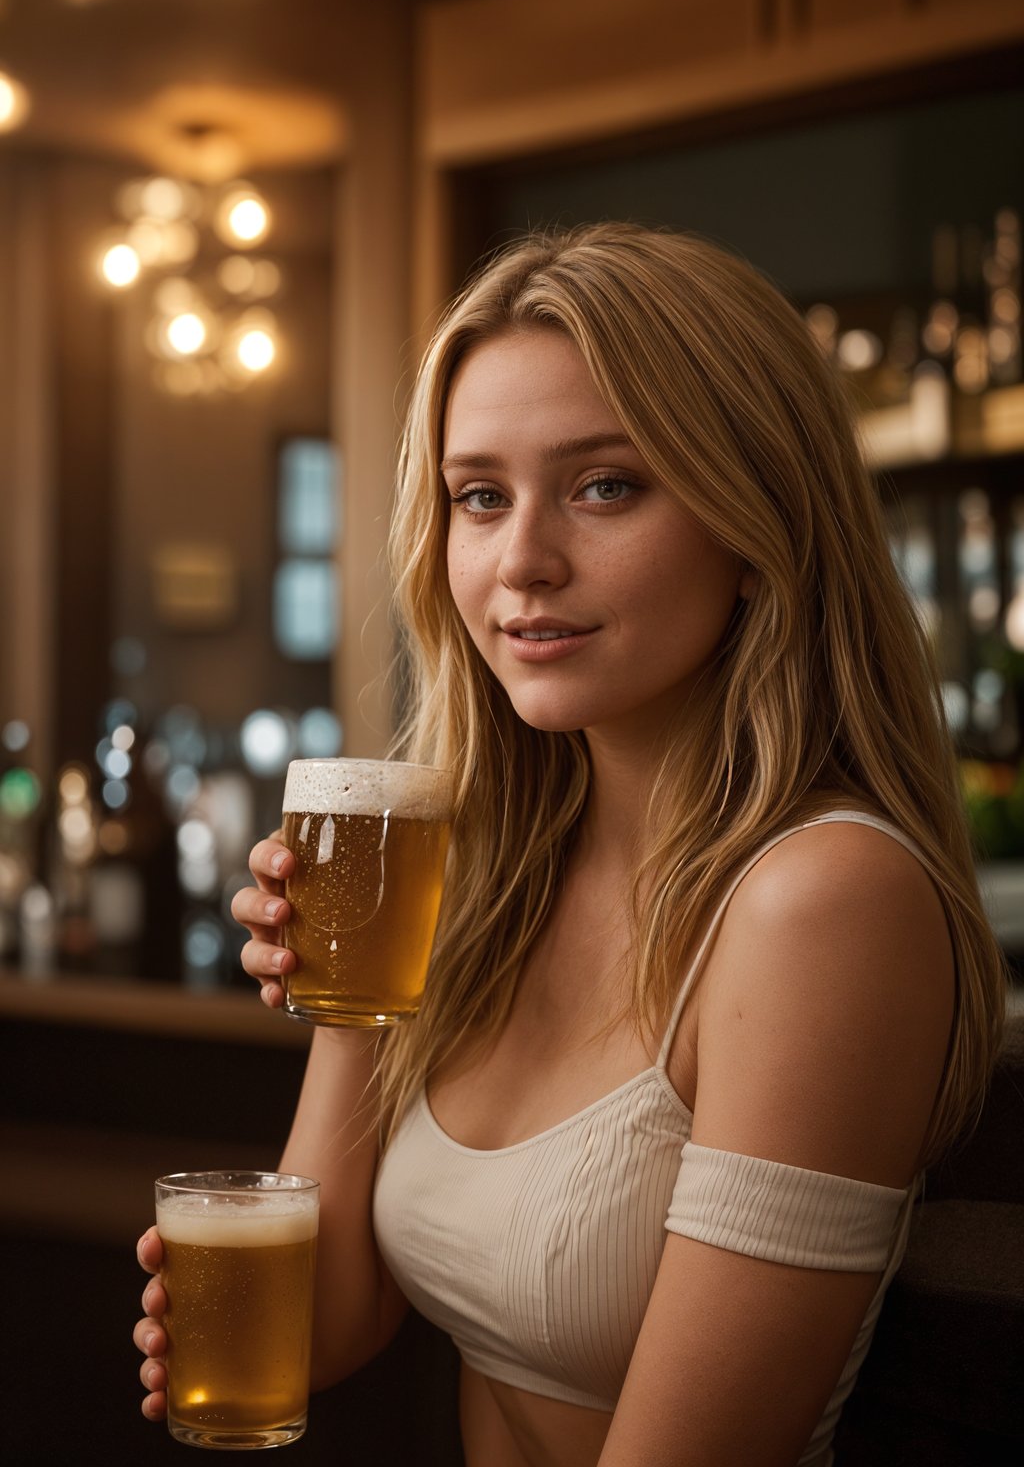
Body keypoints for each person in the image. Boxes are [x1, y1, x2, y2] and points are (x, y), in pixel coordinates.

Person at [134, 224, 1007, 1466]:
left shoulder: (821, 902)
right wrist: (346, 997)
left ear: (755, 525)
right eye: (479, 496)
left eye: (605, 485)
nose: (521, 562)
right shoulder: (487, 869)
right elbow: (325, 1331)